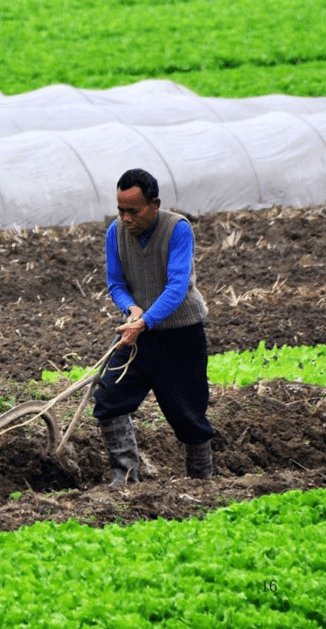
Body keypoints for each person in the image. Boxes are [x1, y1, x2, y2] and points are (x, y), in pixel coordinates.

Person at [93, 168, 217, 487]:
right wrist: (130, 308)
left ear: (154, 205)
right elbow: (116, 283)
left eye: (133, 211)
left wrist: (145, 320)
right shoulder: (115, 232)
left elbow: (178, 287)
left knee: (190, 417)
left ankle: (201, 483)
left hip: (180, 336)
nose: (125, 218)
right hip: (137, 337)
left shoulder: (177, 229)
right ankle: (125, 478)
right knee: (108, 399)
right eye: (121, 210)